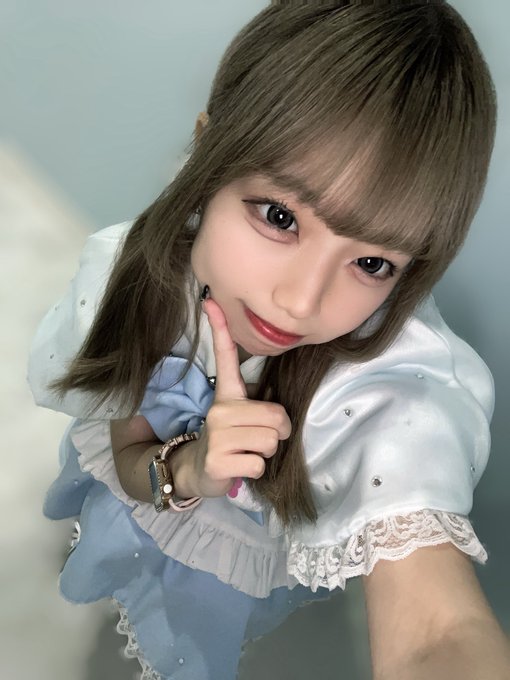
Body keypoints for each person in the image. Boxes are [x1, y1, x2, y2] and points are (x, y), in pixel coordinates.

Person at [28, 2, 510, 679]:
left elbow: (439, 631)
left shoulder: (388, 386)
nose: (302, 301)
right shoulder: (136, 276)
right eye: (280, 217)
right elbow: (126, 452)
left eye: (373, 262)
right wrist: (190, 467)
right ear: (205, 155)